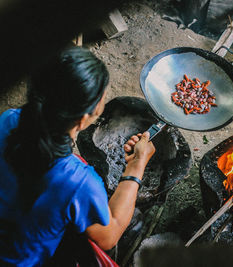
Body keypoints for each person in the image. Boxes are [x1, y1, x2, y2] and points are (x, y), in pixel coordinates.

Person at [0, 47, 155, 266]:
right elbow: (109, 236)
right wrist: (136, 167)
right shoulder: (77, 183)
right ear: (83, 120)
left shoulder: (8, 119)